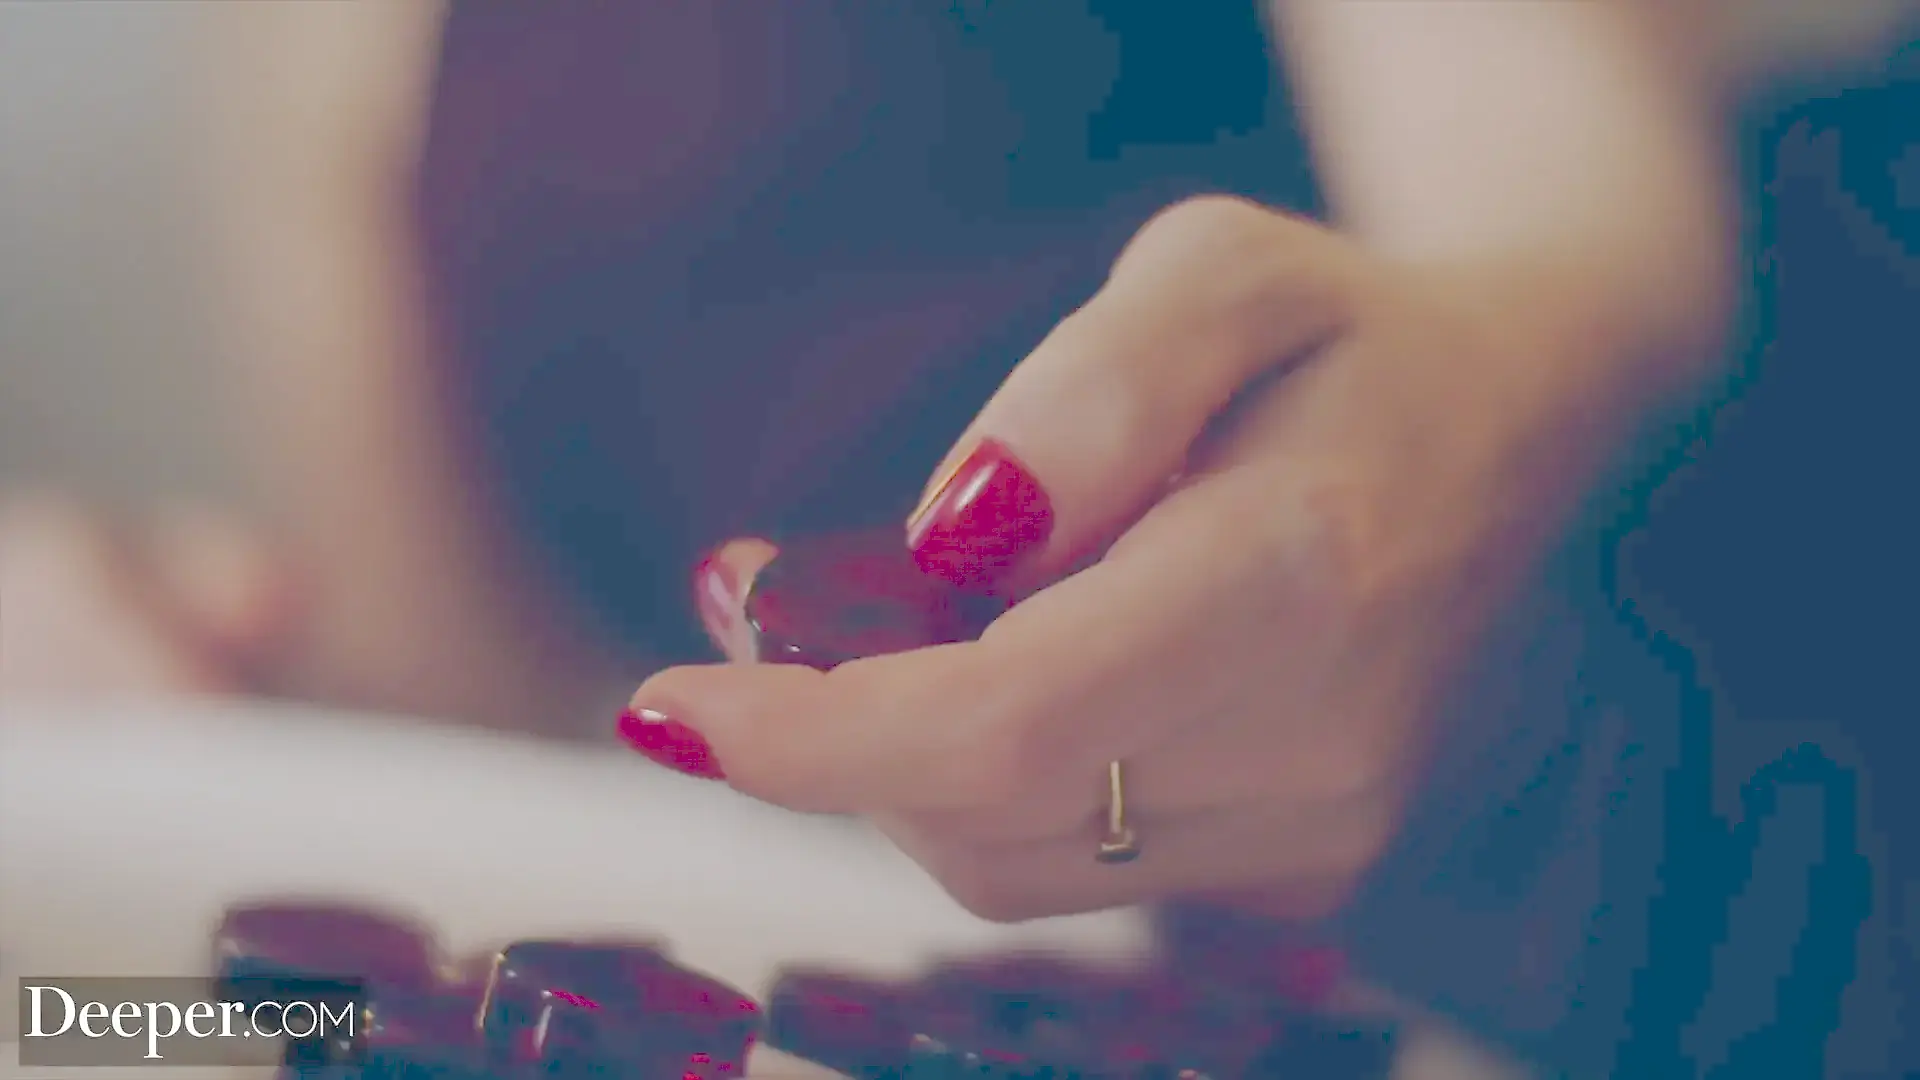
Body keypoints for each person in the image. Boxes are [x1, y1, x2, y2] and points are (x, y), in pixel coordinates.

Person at [3, 0, 1915, 1072]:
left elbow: (1584, 230)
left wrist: (1459, 406)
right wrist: (136, 651)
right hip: (1072, 997)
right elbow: (470, 726)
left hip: (1718, 772)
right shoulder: (295, 39)